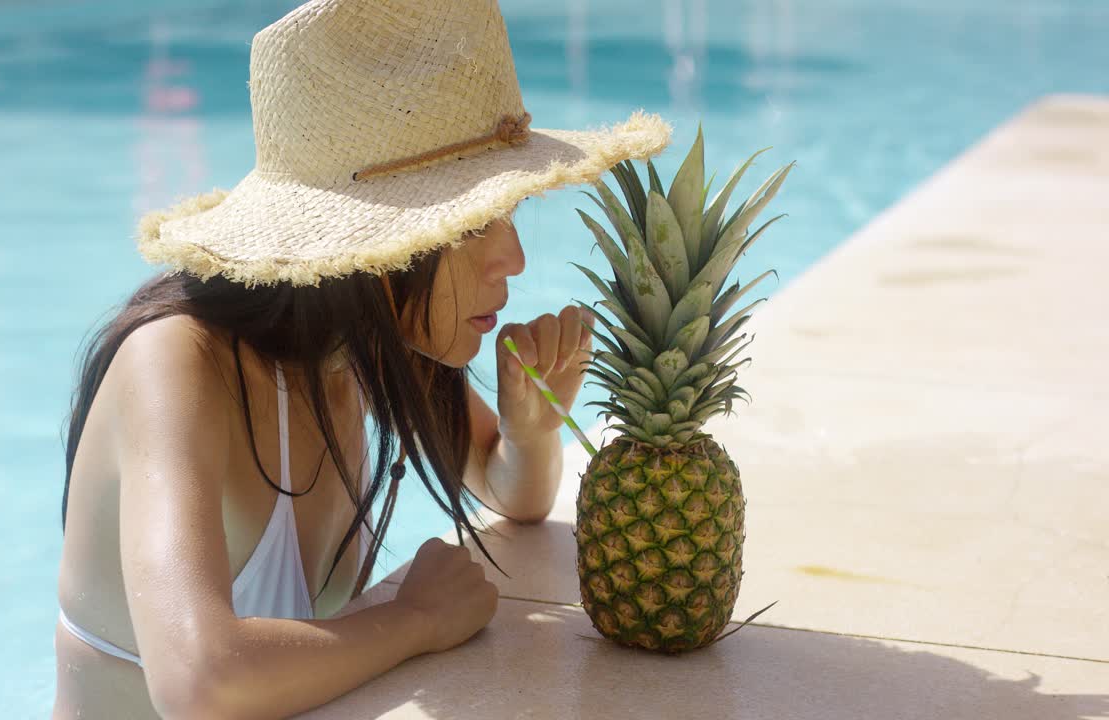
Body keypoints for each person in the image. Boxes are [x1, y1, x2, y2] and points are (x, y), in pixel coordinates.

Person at [51, 0, 670, 717]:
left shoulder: (370, 343)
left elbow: (513, 495)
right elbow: (200, 682)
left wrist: (530, 433)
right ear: (374, 255)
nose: (515, 257)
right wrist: (414, 621)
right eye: (472, 223)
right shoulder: (177, 364)